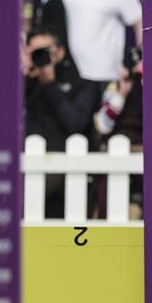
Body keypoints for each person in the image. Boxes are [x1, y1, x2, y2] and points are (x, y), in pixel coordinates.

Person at [23, 28, 96, 218]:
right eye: (34, 52)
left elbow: (75, 123)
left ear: (60, 52)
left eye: (45, 51)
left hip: (64, 165)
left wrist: (50, 84)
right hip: (24, 162)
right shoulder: (25, 85)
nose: (40, 57)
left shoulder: (83, 85)